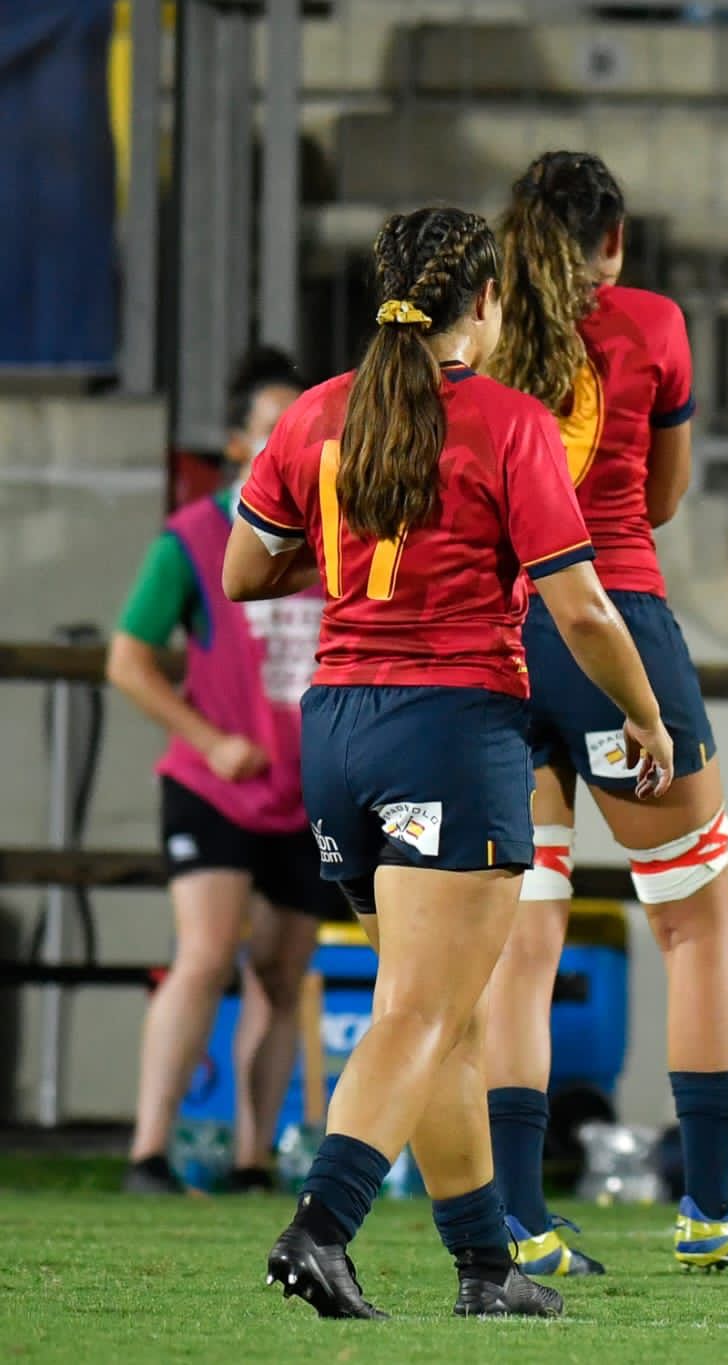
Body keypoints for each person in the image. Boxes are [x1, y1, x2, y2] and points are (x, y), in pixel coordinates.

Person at [228, 205, 673, 1319]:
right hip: (449, 729)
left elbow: (243, 570)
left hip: (338, 734)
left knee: (443, 1016)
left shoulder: (317, 413)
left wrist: (351, 552)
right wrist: (646, 714)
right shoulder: (508, 420)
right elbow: (583, 607)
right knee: (422, 1014)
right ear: (485, 300)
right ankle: (322, 1227)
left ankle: (484, 1266)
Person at [474, 150, 728, 1279]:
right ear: (613, 239)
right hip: (613, 629)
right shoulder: (654, 324)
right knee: (692, 927)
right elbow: (661, 499)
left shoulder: (479, 336)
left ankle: (520, 1223)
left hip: (497, 640)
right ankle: (711, 1212)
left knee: (523, 943)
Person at [110, 346, 331, 1196]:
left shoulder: (338, 536)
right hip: (215, 786)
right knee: (204, 956)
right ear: (240, 444)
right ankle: (148, 1151)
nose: (291, 443)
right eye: (273, 428)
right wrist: (209, 741)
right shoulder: (195, 538)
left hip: (306, 791)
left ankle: (252, 1159)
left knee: (281, 975)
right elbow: (129, 659)